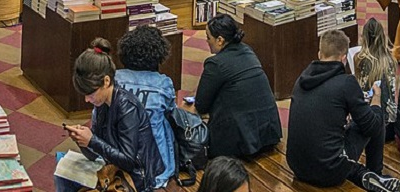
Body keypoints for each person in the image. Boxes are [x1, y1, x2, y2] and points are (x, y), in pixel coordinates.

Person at [57, 39, 163, 192]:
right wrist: (83, 141)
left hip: (135, 177)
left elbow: (128, 161)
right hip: (112, 166)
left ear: (106, 81)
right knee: (62, 173)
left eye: (90, 93)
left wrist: (92, 141)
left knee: (69, 182)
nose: (87, 100)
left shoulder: (127, 108)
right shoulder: (102, 104)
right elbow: (99, 153)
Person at [288, 30, 387, 190]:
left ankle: (361, 173)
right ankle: (376, 173)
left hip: (297, 165)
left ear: (320, 53)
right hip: (329, 170)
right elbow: (372, 126)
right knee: (376, 118)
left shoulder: (302, 79)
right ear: (344, 58)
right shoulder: (346, 83)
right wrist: (376, 100)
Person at [183, 15, 282, 159]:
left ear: (220, 40)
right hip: (267, 133)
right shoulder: (248, 51)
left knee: (186, 112)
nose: (206, 41)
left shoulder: (215, 64)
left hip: (239, 141)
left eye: (208, 37)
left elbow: (201, 106)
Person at [114, 26, 176, 190]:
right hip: (154, 168)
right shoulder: (163, 83)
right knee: (165, 122)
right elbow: (171, 112)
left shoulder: (114, 78)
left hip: (116, 157)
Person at [354, 18, 398, 139]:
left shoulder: (359, 58)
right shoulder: (391, 60)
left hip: (367, 124)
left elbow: (358, 85)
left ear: (364, 38)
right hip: (389, 125)